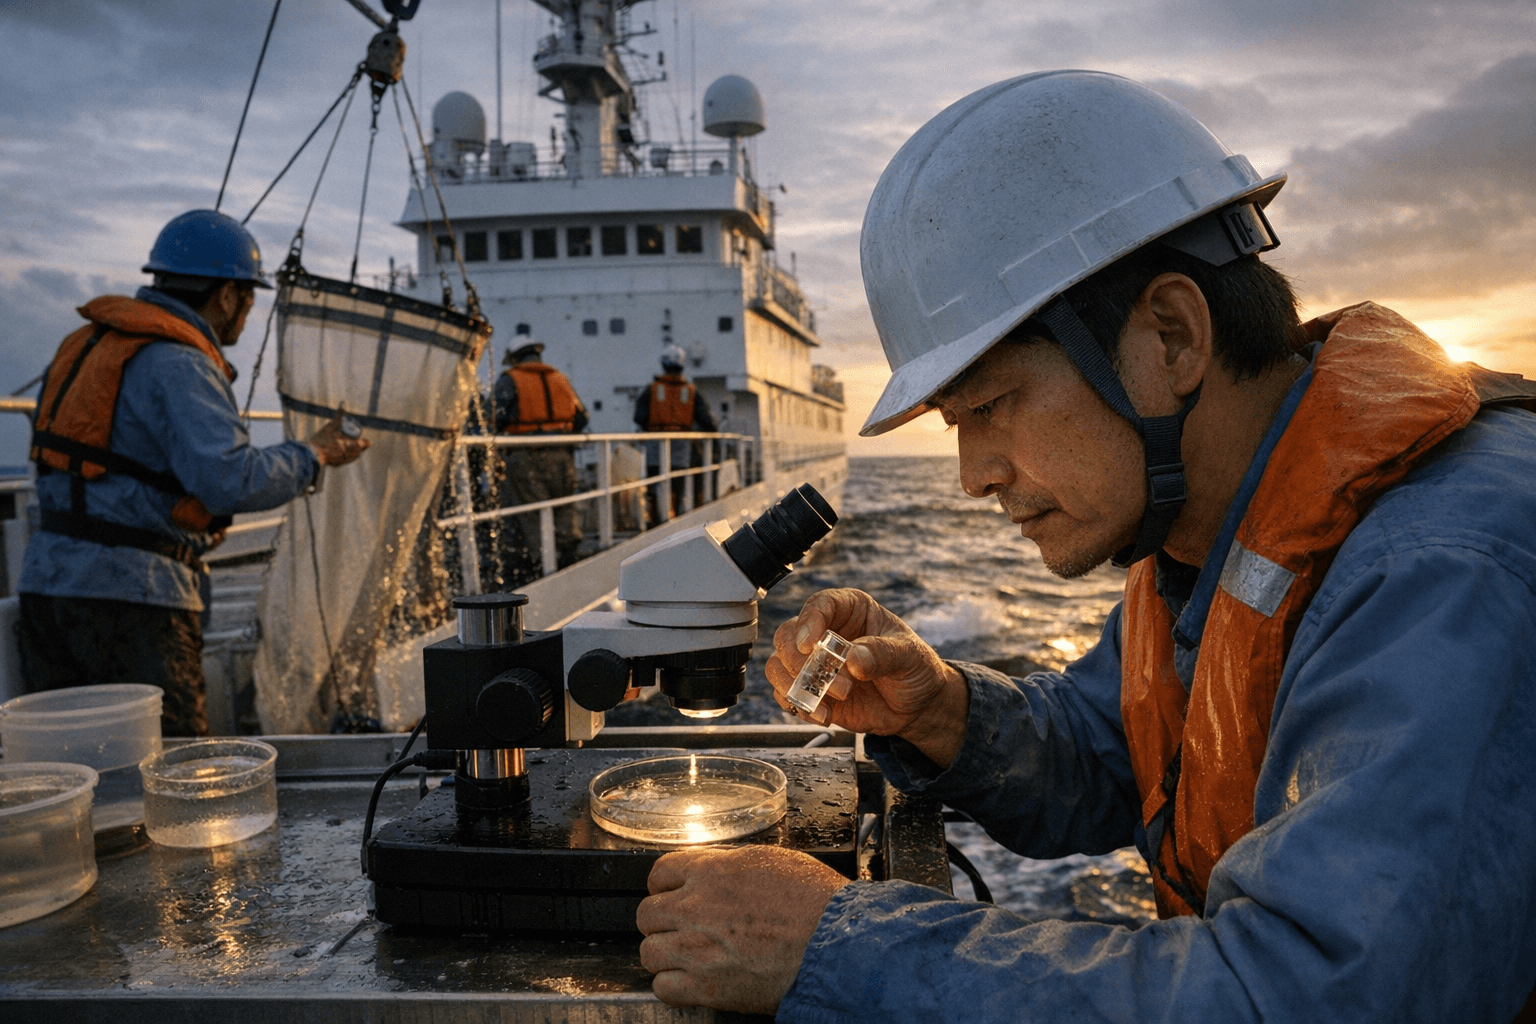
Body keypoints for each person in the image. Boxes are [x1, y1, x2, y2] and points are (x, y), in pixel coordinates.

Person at [634, 72, 1536, 1022]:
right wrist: (940, 711)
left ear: (1172, 337)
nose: (972, 475)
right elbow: (1120, 750)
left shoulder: (1445, 572)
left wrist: (838, 946)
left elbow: (1309, 999)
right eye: (953, 422)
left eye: (991, 405)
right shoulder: (1210, 535)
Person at [15, 209, 370, 737]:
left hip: (46, 588)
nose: (246, 315)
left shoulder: (83, 344)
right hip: (136, 601)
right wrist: (314, 453)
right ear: (226, 295)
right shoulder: (179, 363)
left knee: (72, 755)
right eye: (248, 299)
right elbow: (230, 480)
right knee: (169, 761)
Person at [492, 325, 589, 570]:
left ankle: (540, 563)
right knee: (564, 506)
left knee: (532, 512)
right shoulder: (560, 379)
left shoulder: (510, 380)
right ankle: (569, 556)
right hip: (562, 455)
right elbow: (581, 418)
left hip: (526, 456)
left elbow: (491, 417)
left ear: (515, 357)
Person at [633, 343, 717, 521]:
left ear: (663, 364)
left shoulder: (652, 389)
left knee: (655, 482)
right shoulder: (691, 391)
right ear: (682, 364)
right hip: (681, 444)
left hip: (655, 443)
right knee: (677, 483)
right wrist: (713, 437)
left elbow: (639, 417)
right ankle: (674, 517)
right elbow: (706, 420)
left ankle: (655, 520)